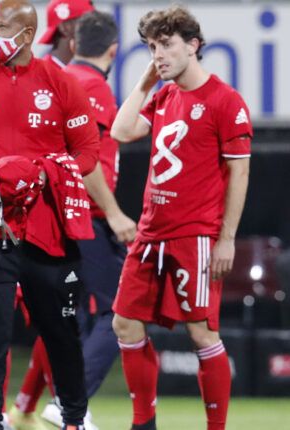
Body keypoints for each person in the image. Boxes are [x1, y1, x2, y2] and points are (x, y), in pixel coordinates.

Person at [0, 0, 101, 428]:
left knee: (61, 335)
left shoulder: (62, 84)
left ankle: (74, 420)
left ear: (26, 34)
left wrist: (45, 173)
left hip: (50, 230)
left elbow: (88, 153)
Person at [110, 5, 252, 430]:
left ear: (194, 46)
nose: (159, 54)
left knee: (201, 334)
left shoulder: (225, 101)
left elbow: (241, 172)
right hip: (151, 233)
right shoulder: (165, 94)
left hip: (197, 236)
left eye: (167, 45)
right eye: (153, 47)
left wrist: (227, 238)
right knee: (125, 323)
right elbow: (120, 131)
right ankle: (144, 423)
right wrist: (144, 80)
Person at [18, 11, 138, 430]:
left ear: (71, 41)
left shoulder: (56, 81)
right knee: (121, 313)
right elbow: (88, 162)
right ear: (113, 49)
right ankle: (72, 403)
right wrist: (117, 214)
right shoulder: (94, 87)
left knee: (72, 317)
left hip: (49, 215)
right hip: (87, 216)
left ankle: (62, 410)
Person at [37, 0, 93, 68]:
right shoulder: (42, 74)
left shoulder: (87, 67)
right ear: (65, 27)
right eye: (88, 21)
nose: (94, 28)